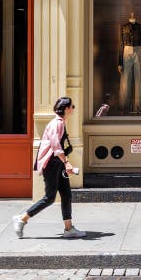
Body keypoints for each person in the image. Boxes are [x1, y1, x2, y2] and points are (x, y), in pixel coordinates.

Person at [12, 97, 86, 239]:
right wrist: (67, 163)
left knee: (66, 194)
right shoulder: (57, 123)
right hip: (52, 164)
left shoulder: (60, 122)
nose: (73, 109)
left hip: (57, 163)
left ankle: (69, 228)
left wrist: (64, 163)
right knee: (50, 197)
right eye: (72, 106)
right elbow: (56, 146)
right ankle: (22, 218)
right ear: (66, 109)